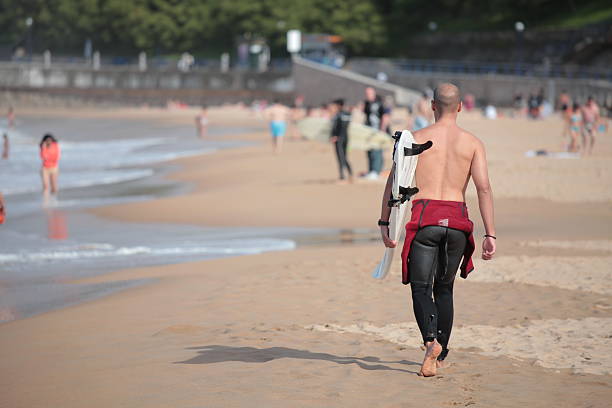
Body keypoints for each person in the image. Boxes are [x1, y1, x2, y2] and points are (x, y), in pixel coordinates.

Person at [378, 83, 496, 377]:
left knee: (421, 287)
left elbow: (393, 186)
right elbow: (483, 188)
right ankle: (440, 353)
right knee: (445, 288)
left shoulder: (416, 138)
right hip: (457, 220)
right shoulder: (473, 143)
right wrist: (489, 234)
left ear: (432, 106)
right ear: (460, 107)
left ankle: (430, 341)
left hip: (425, 217)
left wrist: (385, 223)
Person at [363, 87, 390, 180]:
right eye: (366, 94)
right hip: (369, 131)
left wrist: (382, 130)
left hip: (379, 131)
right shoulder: (367, 104)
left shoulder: (380, 102)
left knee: (377, 150)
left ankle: (376, 171)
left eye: (369, 93)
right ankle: (371, 170)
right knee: (369, 149)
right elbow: (366, 116)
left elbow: (385, 116)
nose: (367, 96)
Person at [329, 98, 353, 183]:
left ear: (338, 106)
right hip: (346, 137)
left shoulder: (338, 115)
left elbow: (335, 127)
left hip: (338, 138)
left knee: (340, 157)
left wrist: (334, 136)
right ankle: (350, 174)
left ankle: (342, 176)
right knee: (345, 156)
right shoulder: (348, 114)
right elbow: (346, 126)